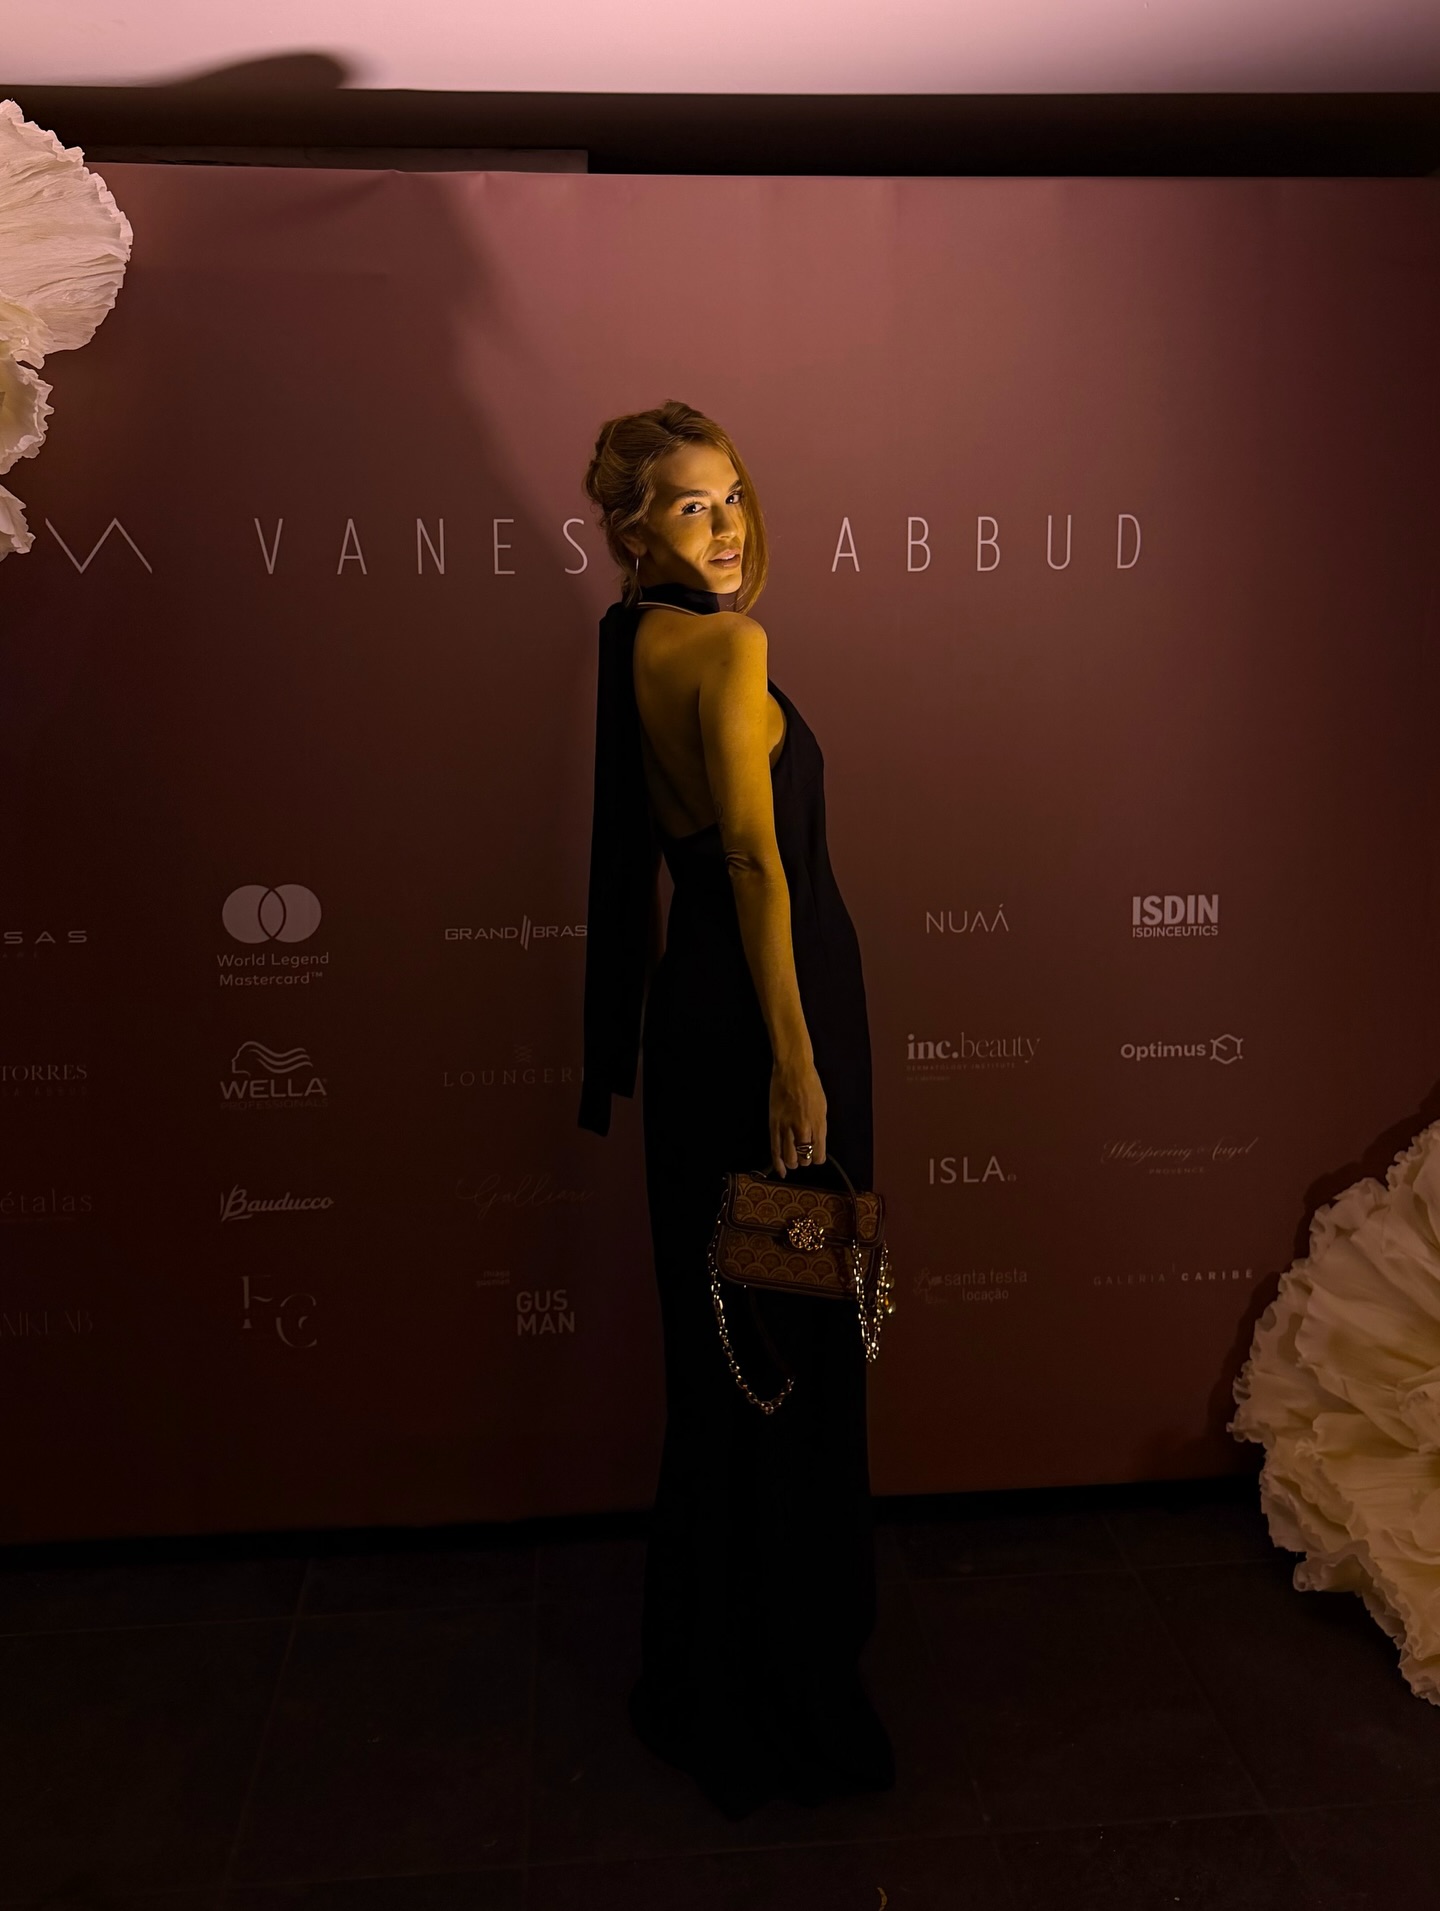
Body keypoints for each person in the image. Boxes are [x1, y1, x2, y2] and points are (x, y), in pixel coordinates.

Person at [577, 399, 894, 1817]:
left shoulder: (631, 643)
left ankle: (710, 1662)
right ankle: (789, 1681)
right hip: (770, 1029)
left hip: (698, 1021)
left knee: (735, 1351)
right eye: (689, 506)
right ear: (631, 527)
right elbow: (759, 864)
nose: (723, 528)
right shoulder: (726, 647)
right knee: (790, 1341)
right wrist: (799, 1062)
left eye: (733, 499)